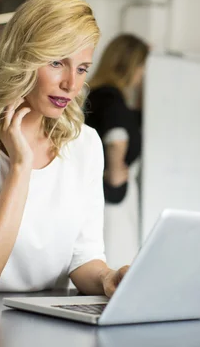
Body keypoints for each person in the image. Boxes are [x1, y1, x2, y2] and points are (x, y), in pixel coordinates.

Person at [0, 0, 129, 296]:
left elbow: (83, 257)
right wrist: (21, 165)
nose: (71, 84)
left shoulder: (85, 144)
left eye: (82, 68)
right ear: (22, 58)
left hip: (41, 327)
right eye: (57, 62)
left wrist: (107, 279)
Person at [84, 34, 149, 269]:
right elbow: (116, 137)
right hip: (112, 196)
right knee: (115, 260)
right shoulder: (112, 97)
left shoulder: (100, 94)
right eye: (142, 67)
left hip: (103, 192)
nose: (142, 75)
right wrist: (115, 171)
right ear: (131, 66)